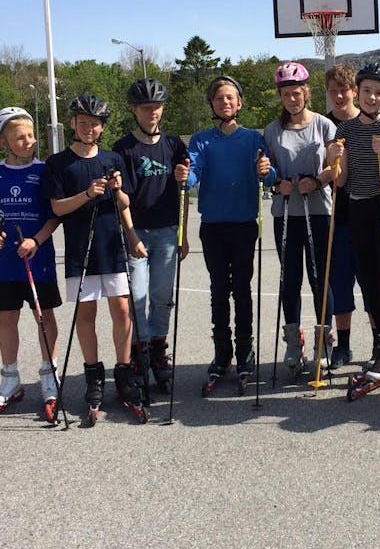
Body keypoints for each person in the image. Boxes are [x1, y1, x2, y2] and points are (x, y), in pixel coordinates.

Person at [43, 95, 146, 419]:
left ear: (102, 127)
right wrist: (87, 194)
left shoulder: (112, 158)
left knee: (122, 310)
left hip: (111, 244)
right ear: (73, 123)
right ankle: (93, 377)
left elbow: (125, 203)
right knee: (86, 314)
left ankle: (124, 373)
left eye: (95, 124)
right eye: (84, 122)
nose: (89, 128)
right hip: (80, 248)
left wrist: (117, 192)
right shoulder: (58, 163)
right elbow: (57, 207)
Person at [174, 76, 276, 386]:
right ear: (212, 104)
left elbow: (269, 175)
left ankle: (245, 350)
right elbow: (193, 175)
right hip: (213, 227)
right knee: (218, 290)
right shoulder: (201, 140)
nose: (225, 102)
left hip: (244, 224)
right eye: (219, 98)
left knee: (242, 289)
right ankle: (222, 353)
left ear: (239, 103)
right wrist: (185, 176)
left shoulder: (253, 138)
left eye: (230, 97)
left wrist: (266, 171)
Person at [0, 106, 61, 421]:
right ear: (3, 143)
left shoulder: (45, 171)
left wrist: (36, 240)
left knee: (44, 316)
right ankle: (10, 378)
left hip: (38, 259)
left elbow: (54, 216)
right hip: (5, 262)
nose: (29, 141)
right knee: (7, 317)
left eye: (31, 135)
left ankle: (49, 374)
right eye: (20, 137)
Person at [326, 63, 380, 382]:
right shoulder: (344, 130)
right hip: (358, 204)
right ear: (357, 92)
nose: (372, 97)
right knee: (369, 280)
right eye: (367, 91)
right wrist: (334, 160)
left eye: (379, 93)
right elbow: (342, 181)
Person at [112, 78, 189, 391]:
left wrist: (184, 233)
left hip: (168, 230)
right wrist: (131, 235)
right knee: (138, 295)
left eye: (156, 107)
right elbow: (121, 199)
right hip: (138, 231)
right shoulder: (123, 149)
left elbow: (183, 193)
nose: (152, 112)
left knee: (161, 296)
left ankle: (158, 351)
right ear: (134, 110)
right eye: (146, 108)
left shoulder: (174, 145)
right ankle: (139, 353)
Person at [263, 62, 337, 378]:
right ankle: (294, 341)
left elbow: (335, 167)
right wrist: (274, 182)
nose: (292, 99)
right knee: (290, 278)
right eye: (286, 95)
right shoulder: (272, 130)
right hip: (286, 212)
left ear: (306, 93)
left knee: (320, 277)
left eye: (296, 93)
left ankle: (324, 341)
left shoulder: (324, 125)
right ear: (280, 97)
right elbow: (265, 169)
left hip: (318, 209)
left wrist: (318, 180)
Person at [324, 64, 369, 369]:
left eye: (344, 90)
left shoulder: (368, 120)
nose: (339, 96)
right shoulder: (324, 125)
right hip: (336, 215)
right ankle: (343, 345)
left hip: (368, 212)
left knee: (372, 282)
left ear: (354, 90)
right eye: (333, 91)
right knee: (340, 284)